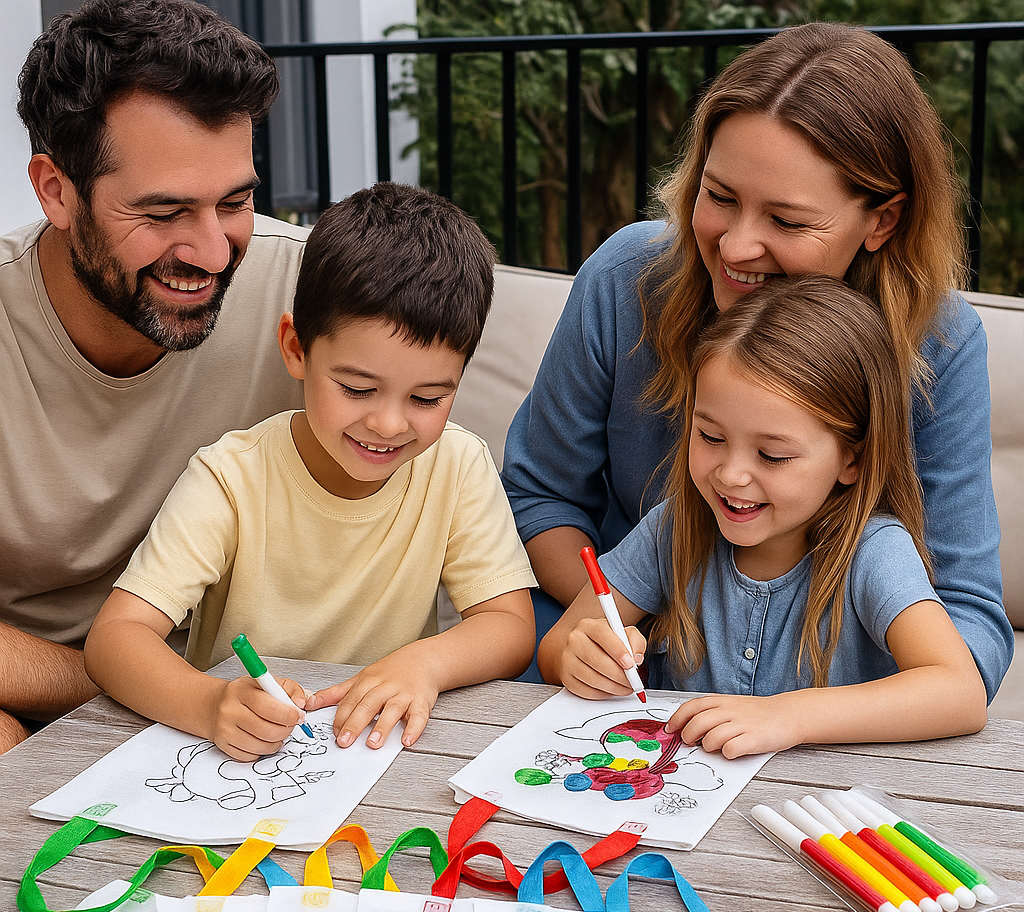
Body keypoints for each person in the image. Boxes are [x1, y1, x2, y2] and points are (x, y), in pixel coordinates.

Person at [502, 21, 1013, 698]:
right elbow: (541, 495)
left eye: (787, 221)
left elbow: (968, 627)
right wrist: (624, 626)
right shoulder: (628, 279)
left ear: (881, 221)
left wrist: (816, 701)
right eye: (719, 197)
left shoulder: (939, 343)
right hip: (641, 678)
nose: (737, 246)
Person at [84, 182, 537, 762]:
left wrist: (422, 664)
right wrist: (210, 704)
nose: (389, 424)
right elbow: (115, 639)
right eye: (356, 388)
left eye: (427, 398)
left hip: (386, 755)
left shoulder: (457, 463)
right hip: (237, 762)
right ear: (296, 348)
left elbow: (509, 624)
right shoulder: (232, 478)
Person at [0, 0, 308, 752]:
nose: (210, 251)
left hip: (261, 710)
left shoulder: (308, 289)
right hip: (52, 693)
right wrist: (161, 688)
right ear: (56, 191)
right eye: (164, 211)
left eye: (235, 201)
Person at [538, 276, 988, 756]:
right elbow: (556, 646)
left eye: (772, 456)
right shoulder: (674, 529)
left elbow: (960, 693)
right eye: (710, 437)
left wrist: (789, 715)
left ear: (852, 459)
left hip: (824, 810)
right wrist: (579, 658)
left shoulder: (873, 551)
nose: (731, 475)